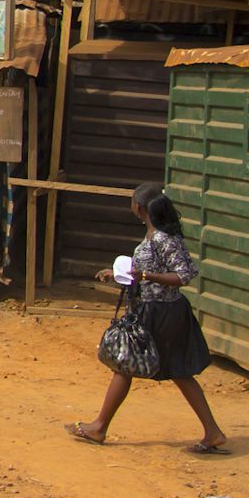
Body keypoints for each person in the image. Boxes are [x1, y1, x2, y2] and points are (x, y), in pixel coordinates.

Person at [67, 184, 229, 454]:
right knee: (177, 371)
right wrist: (122, 274)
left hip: (161, 313)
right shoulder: (155, 236)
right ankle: (213, 432)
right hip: (163, 311)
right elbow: (149, 271)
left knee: (125, 365)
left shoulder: (163, 239)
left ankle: (99, 427)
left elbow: (183, 276)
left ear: (139, 208)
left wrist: (145, 277)